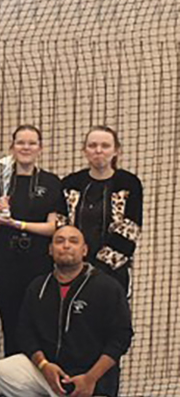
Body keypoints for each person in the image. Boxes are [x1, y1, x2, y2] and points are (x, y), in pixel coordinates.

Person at [0, 226, 154, 397]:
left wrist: (90, 378)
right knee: (2, 370)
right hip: (52, 376)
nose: (66, 245)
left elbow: (121, 338)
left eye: (73, 241)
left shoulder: (106, 287)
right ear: (50, 249)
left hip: (91, 381)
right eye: (59, 241)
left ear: (84, 250)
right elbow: (25, 333)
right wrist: (44, 365)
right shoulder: (38, 287)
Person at [0, 125, 65, 397]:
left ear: (40, 147)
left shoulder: (52, 183)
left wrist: (17, 223)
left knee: (40, 330)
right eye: (20, 142)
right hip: (6, 264)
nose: (26, 147)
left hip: (39, 266)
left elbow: (54, 227)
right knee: (12, 328)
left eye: (31, 143)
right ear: (12, 146)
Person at [61, 126, 142, 294]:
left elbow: (130, 230)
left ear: (116, 151)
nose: (98, 151)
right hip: (72, 271)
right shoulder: (70, 183)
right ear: (84, 150)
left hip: (113, 272)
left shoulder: (129, 183)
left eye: (105, 146)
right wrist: (76, 263)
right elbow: (61, 224)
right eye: (92, 145)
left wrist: (98, 268)